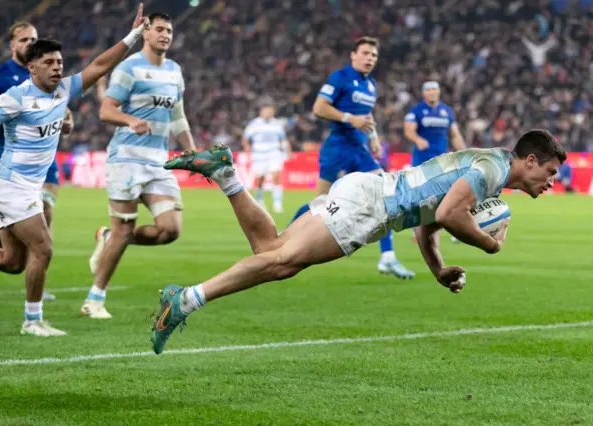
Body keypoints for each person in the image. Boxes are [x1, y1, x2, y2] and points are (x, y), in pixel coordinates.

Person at [149, 129, 566, 354]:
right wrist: (489, 245)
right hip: (373, 207)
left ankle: (224, 175)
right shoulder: (491, 170)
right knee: (282, 262)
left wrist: (438, 269)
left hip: (370, 193)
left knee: (271, 250)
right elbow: (447, 214)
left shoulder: (487, 169)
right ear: (529, 160)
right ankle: (184, 299)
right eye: (549, 171)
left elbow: (427, 225)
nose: (551, 182)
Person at [0, 3, 151, 336]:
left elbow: (102, 64)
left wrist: (133, 35)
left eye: (59, 62)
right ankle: (33, 320)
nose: (57, 68)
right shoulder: (16, 97)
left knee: (12, 263)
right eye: (49, 63)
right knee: (44, 248)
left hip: (26, 187)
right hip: (11, 185)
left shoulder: (64, 90)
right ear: (32, 67)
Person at [83, 12, 196, 319]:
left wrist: (192, 151)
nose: (165, 35)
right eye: (159, 29)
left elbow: (178, 117)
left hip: (158, 162)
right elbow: (107, 110)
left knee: (170, 230)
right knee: (125, 229)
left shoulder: (174, 71)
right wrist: (130, 119)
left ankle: (109, 238)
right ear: (146, 33)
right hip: (127, 159)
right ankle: (94, 299)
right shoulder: (129, 68)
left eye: (169, 31)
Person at [287, 37, 415, 279]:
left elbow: (365, 115)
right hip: (337, 146)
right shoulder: (340, 77)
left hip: (360, 149)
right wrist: (348, 119)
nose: (370, 59)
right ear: (353, 55)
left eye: (374, 55)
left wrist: (374, 136)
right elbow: (319, 107)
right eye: (365, 53)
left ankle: (387, 258)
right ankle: (282, 239)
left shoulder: (371, 85)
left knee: (385, 196)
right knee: (321, 204)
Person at [0, 21, 73, 296]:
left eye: (33, 39)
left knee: (46, 212)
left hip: (45, 154)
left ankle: (37, 276)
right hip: (11, 157)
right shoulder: (1, 77)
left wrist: (67, 118)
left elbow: (62, 103)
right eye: (24, 39)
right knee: (2, 221)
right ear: (12, 44)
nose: (29, 43)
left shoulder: (49, 73)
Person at [404, 80, 466, 243]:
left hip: (441, 160)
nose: (432, 92)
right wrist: (417, 139)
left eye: (435, 89)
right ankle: (417, 230)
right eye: (429, 89)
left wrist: (465, 152)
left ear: (439, 92)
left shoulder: (447, 111)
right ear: (424, 93)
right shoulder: (416, 110)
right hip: (422, 160)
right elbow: (408, 130)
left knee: (448, 194)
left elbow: (454, 134)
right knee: (419, 196)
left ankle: (455, 230)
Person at [241, 98, 290, 213]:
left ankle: (277, 204)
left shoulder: (277, 124)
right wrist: (247, 147)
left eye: (270, 111)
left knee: (276, 176)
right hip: (259, 154)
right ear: (261, 112)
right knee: (260, 179)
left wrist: (287, 149)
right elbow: (245, 138)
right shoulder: (254, 124)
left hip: (274, 153)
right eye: (266, 111)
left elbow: (283, 139)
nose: (268, 113)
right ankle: (260, 201)